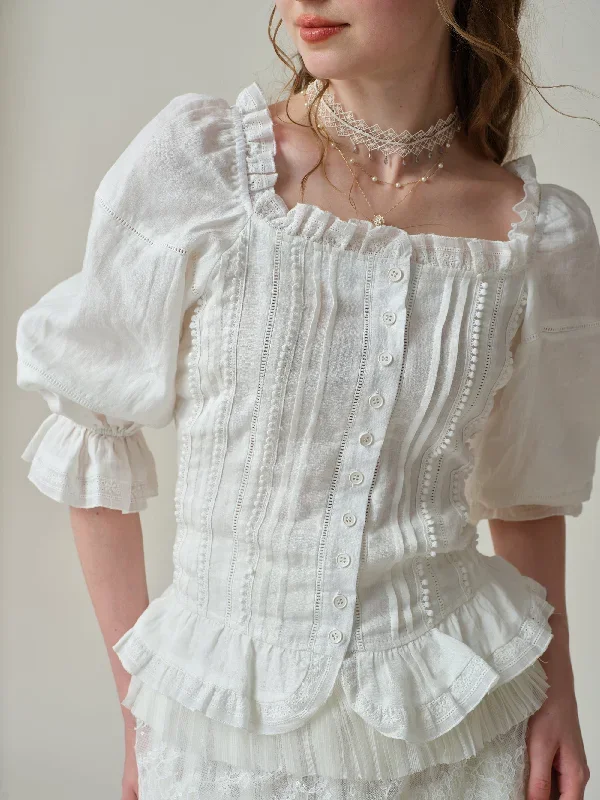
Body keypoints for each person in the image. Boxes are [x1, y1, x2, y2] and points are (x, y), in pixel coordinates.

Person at [15, 0, 600, 798]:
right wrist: (139, 718)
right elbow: (93, 427)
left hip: (466, 735)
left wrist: (558, 689)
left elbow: (526, 494)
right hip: (221, 740)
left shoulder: (537, 236)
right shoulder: (204, 167)